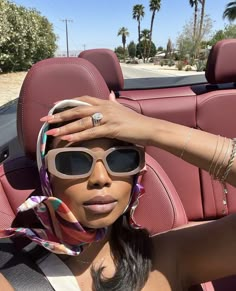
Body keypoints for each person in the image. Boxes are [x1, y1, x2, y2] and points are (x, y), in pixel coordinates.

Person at [1, 96, 236, 291]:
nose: (101, 178)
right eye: (73, 162)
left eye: (121, 160)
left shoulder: (169, 257)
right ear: (47, 176)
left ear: (136, 176)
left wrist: (154, 129)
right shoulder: (10, 269)